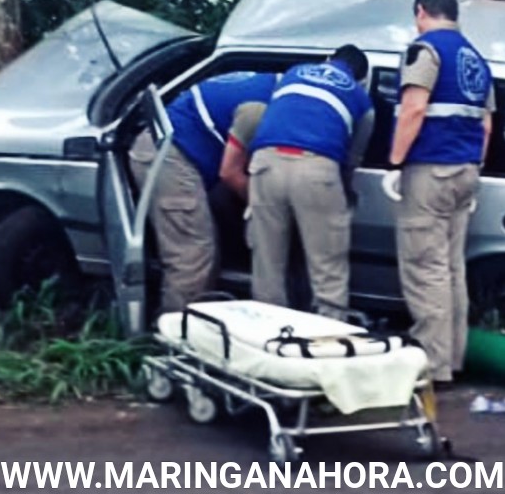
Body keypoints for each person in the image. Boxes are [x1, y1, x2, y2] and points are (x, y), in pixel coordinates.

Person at [386, 0, 494, 385]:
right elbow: (486, 125)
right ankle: (453, 357)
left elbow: (414, 108)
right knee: (450, 268)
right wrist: (474, 164)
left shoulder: (424, 50)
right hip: (466, 170)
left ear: (421, 12)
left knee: (423, 268)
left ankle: (432, 365)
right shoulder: (476, 59)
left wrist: (395, 162)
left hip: (430, 171)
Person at [128, 71, 277, 314]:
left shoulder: (267, 80)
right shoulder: (261, 107)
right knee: (192, 256)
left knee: (205, 250)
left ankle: (199, 325)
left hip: (175, 142)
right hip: (169, 155)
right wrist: (266, 209)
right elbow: (230, 173)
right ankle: (175, 336)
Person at [247, 45, 374, 320]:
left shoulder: (292, 73)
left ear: (328, 59)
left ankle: (267, 338)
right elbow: (352, 160)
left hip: (265, 163)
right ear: (361, 78)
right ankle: (326, 341)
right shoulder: (361, 98)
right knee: (328, 268)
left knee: (267, 262)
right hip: (316, 169)